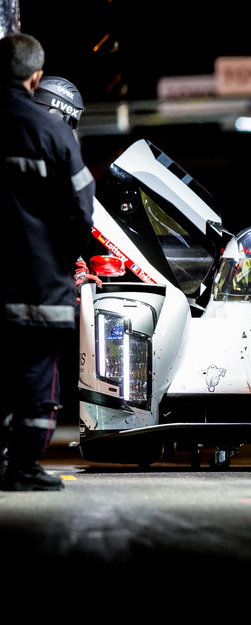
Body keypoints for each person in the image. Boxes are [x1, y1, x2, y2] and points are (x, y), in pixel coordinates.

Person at [0, 33, 94, 491]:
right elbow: (79, 213)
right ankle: (21, 467)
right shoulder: (53, 133)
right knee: (37, 379)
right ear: (35, 77)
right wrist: (67, 262)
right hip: (37, 287)